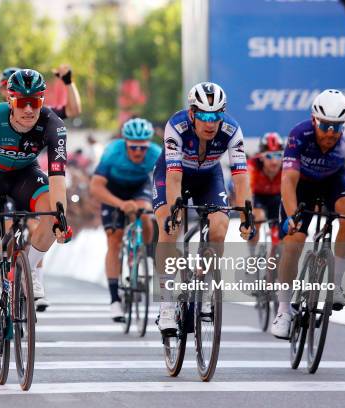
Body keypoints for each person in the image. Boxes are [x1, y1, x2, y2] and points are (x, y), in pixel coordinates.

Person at [0, 68, 72, 368]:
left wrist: (60, 215)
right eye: (20, 102)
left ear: (41, 102)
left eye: (34, 103)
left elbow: (57, 177)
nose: (27, 109)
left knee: (51, 213)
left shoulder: (54, 125)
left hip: (24, 176)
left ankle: (29, 266)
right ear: (10, 101)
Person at [271, 89, 345, 339]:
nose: (331, 133)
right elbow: (288, 180)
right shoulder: (300, 134)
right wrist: (291, 217)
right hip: (302, 185)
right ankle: (284, 310)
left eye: (337, 127)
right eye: (326, 125)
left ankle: (336, 284)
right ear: (314, 119)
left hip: (333, 182)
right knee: (294, 240)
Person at [152, 82, 255, 335]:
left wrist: (245, 214)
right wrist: (175, 212)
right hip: (171, 174)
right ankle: (166, 305)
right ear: (192, 113)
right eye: (205, 116)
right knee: (168, 230)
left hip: (209, 177)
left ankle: (206, 287)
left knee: (220, 228)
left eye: (216, 115)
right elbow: (174, 177)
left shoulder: (231, 130)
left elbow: (241, 177)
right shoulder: (176, 126)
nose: (211, 123)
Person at [89, 118, 161, 321]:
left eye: (142, 147)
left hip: (139, 188)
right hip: (112, 191)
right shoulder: (113, 151)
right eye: (133, 147)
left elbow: (165, 182)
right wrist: (120, 204)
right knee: (114, 240)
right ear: (125, 142)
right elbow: (96, 187)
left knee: (146, 216)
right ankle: (114, 300)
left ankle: (145, 256)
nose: (138, 152)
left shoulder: (156, 153)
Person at [247, 132, 283, 257]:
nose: (274, 161)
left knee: (278, 232)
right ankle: (252, 254)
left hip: (277, 197)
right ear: (261, 156)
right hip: (258, 197)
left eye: (278, 155)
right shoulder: (253, 165)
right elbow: (247, 190)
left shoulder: (286, 166)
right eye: (269, 156)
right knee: (257, 218)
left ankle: (274, 257)